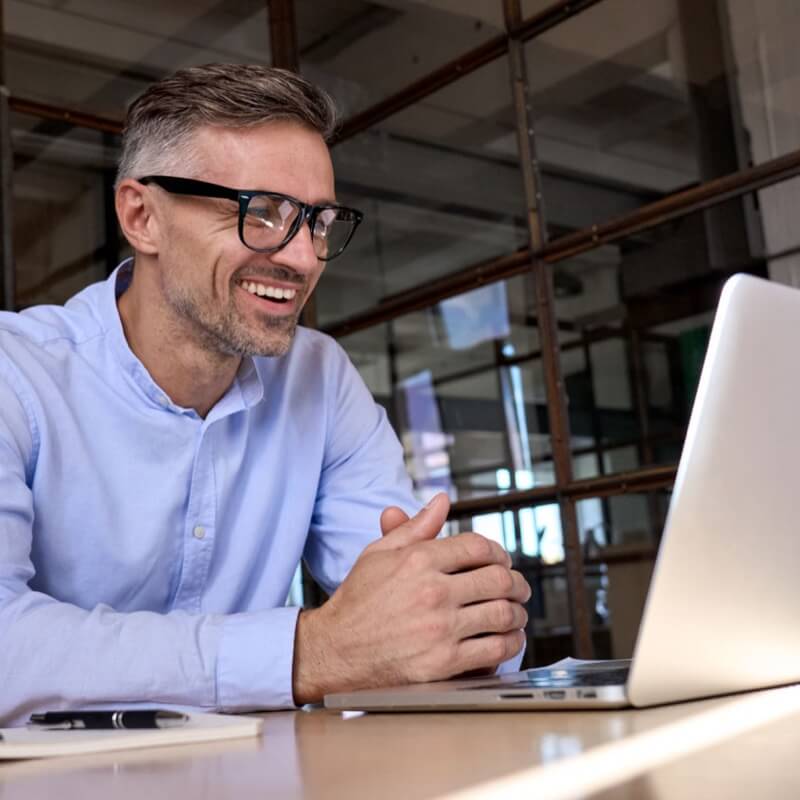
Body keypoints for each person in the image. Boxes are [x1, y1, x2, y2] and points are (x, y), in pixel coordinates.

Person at [0, 64, 530, 726]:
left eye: (318, 221)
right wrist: (305, 653)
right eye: (263, 213)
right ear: (142, 216)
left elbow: (424, 620)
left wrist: (468, 618)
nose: (304, 258)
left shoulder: (319, 379)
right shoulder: (13, 374)